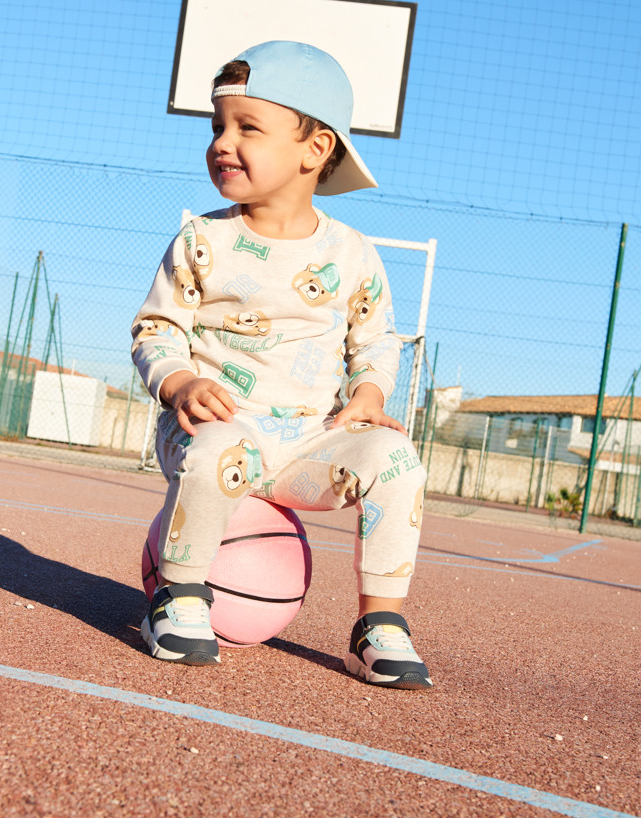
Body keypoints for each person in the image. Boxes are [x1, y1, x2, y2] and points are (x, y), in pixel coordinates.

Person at [131, 40, 431, 689]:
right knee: (216, 452)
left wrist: (371, 395)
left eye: (247, 127)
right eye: (217, 127)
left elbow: (376, 340)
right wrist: (180, 382)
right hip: (218, 428)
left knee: (398, 462)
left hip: (307, 443)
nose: (222, 142)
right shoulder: (201, 241)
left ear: (315, 149)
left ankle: (379, 624)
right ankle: (179, 595)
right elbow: (156, 329)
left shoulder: (352, 254)